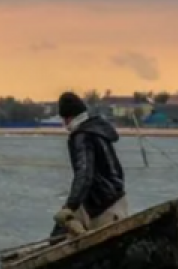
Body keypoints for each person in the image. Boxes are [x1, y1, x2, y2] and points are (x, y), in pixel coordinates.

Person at [50, 91, 128, 241]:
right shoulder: (98, 129)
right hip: (115, 200)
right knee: (60, 231)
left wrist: (71, 205)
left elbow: (84, 173)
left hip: (102, 205)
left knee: (65, 224)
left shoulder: (82, 136)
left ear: (67, 118)